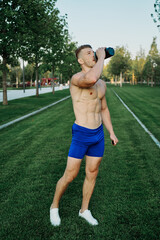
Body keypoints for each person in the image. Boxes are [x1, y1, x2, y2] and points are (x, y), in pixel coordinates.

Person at [50, 44, 118, 226]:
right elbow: (91, 77)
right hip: (81, 133)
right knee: (70, 175)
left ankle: (84, 210)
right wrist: (102, 57)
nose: (93, 54)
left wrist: (111, 132)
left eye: (93, 52)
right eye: (89, 53)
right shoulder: (77, 78)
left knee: (92, 173)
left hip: (98, 135)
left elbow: (104, 109)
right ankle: (54, 206)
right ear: (81, 60)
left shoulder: (102, 84)